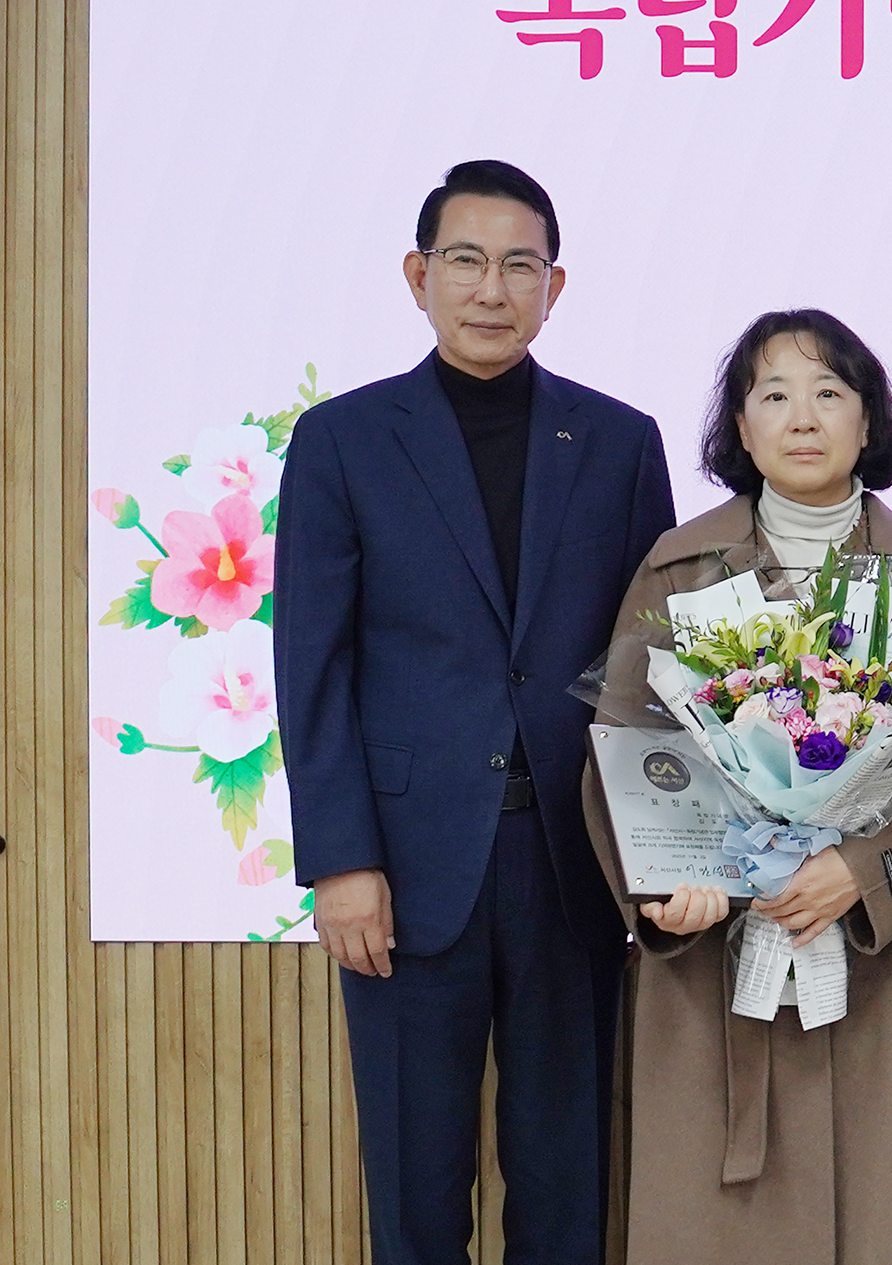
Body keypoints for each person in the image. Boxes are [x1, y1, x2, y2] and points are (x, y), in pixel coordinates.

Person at [273, 160, 675, 1264]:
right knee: (415, 1177)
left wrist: (657, 854)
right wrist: (340, 860)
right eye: (466, 260)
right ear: (419, 276)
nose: (492, 289)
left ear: (555, 285)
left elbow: (654, 670)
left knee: (565, 1178)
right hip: (404, 868)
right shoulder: (344, 439)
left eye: (519, 265)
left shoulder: (618, 440)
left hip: (571, 861)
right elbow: (311, 666)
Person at [582, 308, 892, 1265]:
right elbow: (627, 750)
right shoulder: (678, 567)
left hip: (874, 957)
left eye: (828, 392)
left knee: (884, 1216)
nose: (802, 416)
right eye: (773, 394)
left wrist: (863, 868)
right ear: (741, 425)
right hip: (716, 955)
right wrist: (670, 884)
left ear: (869, 419)